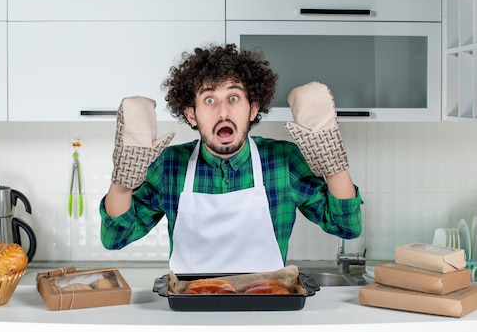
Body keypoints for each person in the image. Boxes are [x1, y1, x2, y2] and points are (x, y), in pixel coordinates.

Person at [100, 43, 362, 273]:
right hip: (190, 315)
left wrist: (333, 165)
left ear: (253, 109)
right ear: (192, 115)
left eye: (234, 98)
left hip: (265, 310)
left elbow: (347, 227)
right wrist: (124, 179)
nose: (223, 111)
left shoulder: (283, 161)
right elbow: (114, 238)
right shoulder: (170, 165)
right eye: (210, 99)